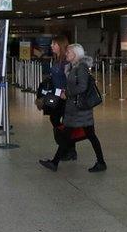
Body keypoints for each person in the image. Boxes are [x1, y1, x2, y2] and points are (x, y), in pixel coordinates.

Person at [39, 43, 106, 173]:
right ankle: (56, 162)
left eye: (69, 52)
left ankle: (55, 162)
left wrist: (67, 93)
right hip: (77, 108)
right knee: (78, 135)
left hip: (79, 109)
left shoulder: (81, 68)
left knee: (80, 135)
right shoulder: (74, 67)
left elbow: (82, 87)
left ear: (75, 54)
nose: (66, 54)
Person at [47, 35, 76, 161]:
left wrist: (67, 92)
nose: (51, 46)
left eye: (54, 44)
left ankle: (68, 149)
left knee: (65, 123)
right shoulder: (57, 59)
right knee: (55, 120)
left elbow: (71, 80)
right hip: (57, 96)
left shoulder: (66, 62)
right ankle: (66, 146)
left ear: (61, 46)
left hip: (65, 97)